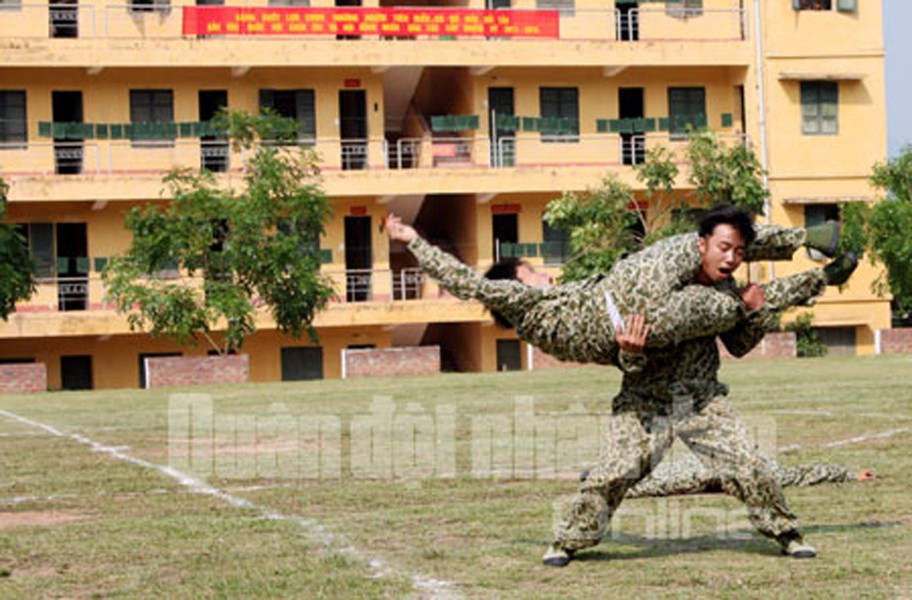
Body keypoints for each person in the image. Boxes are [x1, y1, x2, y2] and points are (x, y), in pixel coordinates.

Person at [541, 205, 848, 566]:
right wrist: (631, 351)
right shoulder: (659, 279)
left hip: (702, 399)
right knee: (612, 473)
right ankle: (566, 542)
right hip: (646, 401)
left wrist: (755, 311)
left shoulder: (727, 292)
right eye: (724, 247)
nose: (731, 258)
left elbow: (739, 345)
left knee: (751, 466)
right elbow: (630, 360)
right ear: (701, 244)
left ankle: (787, 534)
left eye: (739, 251)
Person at [384, 211, 856, 371]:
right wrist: (414, 242)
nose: (542, 274)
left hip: (644, 327)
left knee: (736, 299)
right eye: (529, 271)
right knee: (711, 248)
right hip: (631, 300)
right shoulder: (523, 302)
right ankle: (803, 241)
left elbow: (617, 355)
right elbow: (464, 281)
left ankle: (820, 275)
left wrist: (633, 353)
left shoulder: (548, 326)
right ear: (511, 283)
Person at [613, 451, 876, 499]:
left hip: (707, 472)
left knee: (664, 480)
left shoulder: (768, 473)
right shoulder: (705, 469)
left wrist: (849, 474)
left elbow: (803, 473)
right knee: (662, 477)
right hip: (705, 468)